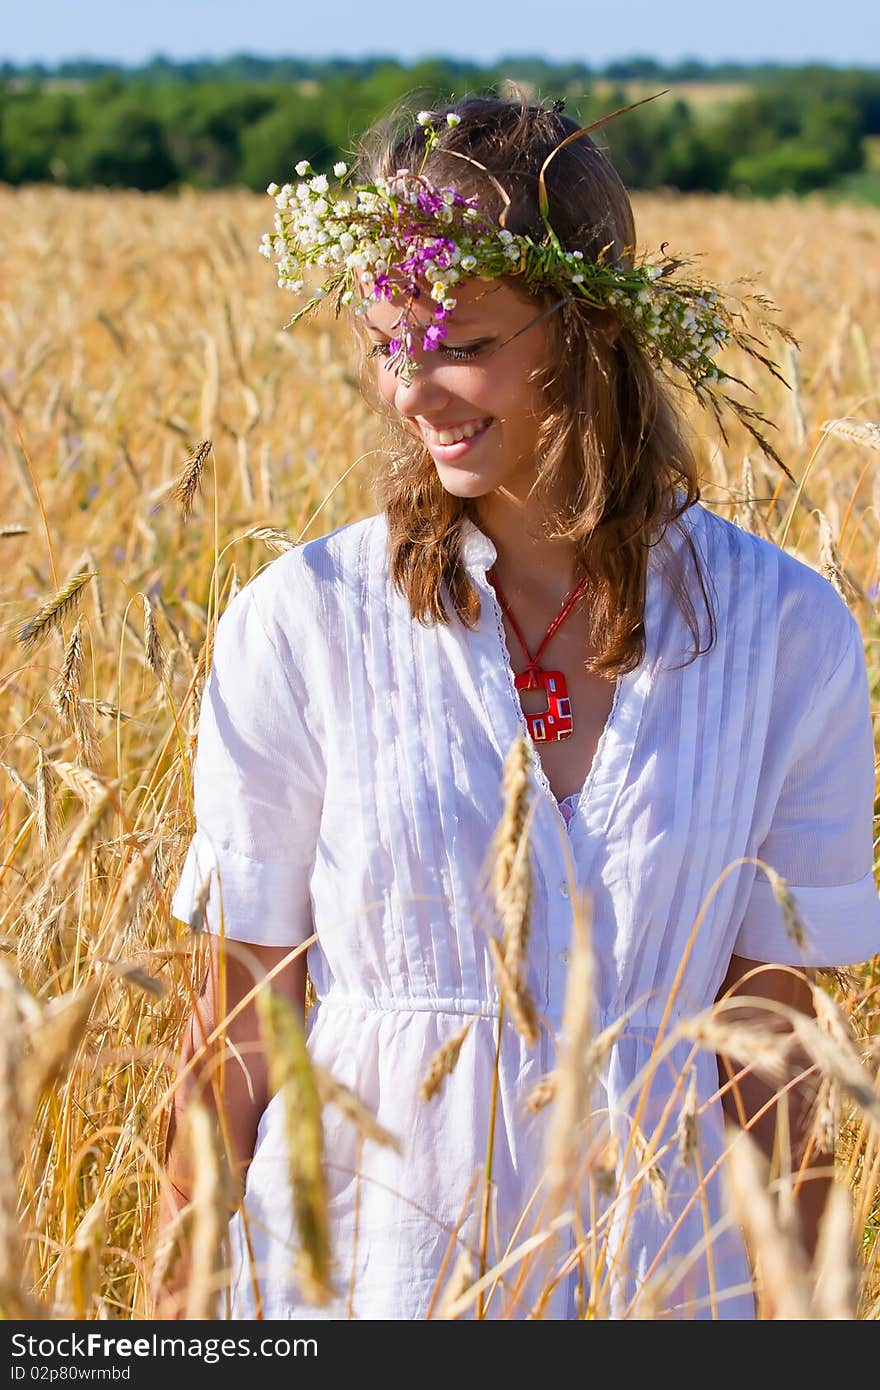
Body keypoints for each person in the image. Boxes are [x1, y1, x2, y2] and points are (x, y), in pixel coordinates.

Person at [156, 96, 880, 1320]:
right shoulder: (304, 618)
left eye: (453, 342)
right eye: (386, 343)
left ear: (585, 325)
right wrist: (169, 1323)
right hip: (357, 1282)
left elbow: (772, 1054)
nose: (409, 390)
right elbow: (237, 1023)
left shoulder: (788, 634)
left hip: (654, 1278)